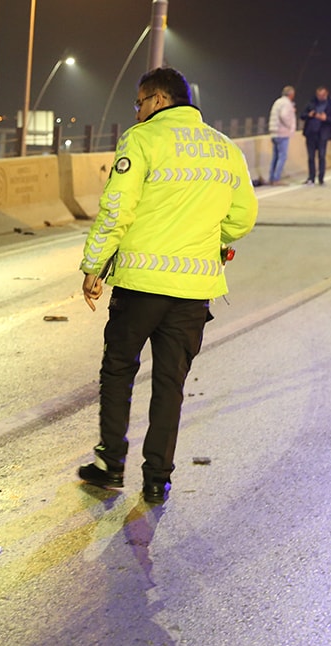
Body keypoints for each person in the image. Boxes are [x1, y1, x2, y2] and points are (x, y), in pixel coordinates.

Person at [77, 67, 258, 504]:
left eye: (139, 103)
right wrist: (212, 240)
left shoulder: (142, 140)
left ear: (158, 100)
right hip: (195, 291)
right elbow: (243, 216)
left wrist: (94, 265)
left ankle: (111, 464)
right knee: (170, 384)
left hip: (141, 285)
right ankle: (158, 478)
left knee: (119, 369)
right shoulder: (225, 148)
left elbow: (116, 208)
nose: (137, 112)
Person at [301, 86, 331, 185]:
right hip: (311, 133)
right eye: (318, 95)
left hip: (323, 134)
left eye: (322, 95)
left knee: (322, 156)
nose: (320, 97)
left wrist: (325, 118)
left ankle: (321, 178)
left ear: (326, 94)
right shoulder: (311, 102)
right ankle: (311, 178)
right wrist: (309, 115)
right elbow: (302, 115)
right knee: (310, 157)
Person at [268, 85, 296, 184]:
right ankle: (276, 179)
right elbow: (284, 115)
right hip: (282, 133)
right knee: (282, 156)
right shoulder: (287, 103)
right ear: (291, 94)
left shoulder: (277, 102)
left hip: (274, 133)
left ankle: (271, 177)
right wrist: (289, 126)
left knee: (275, 157)